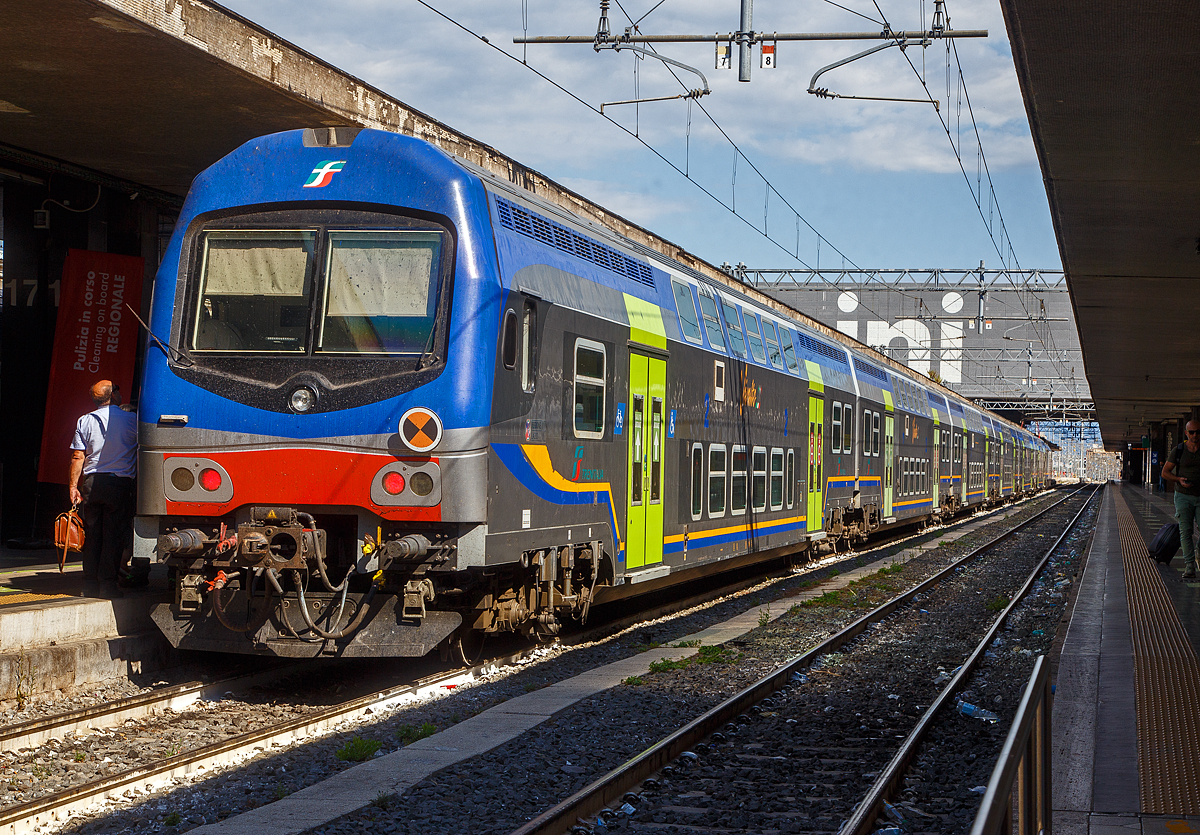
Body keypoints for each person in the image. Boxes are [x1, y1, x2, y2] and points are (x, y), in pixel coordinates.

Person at [67, 380, 137, 598]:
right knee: (113, 536)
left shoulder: (84, 420)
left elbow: (78, 456)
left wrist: (72, 486)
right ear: (114, 395)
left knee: (93, 535)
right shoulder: (132, 420)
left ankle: (89, 584)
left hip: (91, 484)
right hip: (119, 485)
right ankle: (107, 585)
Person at [1162, 420, 1200, 579]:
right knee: (1186, 531)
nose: (1195, 435)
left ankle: (1198, 551)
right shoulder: (1178, 450)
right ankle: (1190, 565)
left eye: (1198, 432)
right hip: (1183, 496)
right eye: (1191, 432)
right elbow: (1165, 472)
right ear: (1186, 433)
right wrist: (1178, 479)